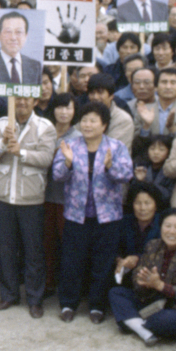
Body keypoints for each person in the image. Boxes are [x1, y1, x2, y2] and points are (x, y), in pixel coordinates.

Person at [51, 101, 134, 323]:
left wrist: (109, 167)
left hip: (107, 216)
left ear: (104, 125)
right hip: (76, 215)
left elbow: (126, 175)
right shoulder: (69, 144)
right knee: (71, 261)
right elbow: (57, 175)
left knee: (102, 262)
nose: (87, 125)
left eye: (93, 121)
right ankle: (68, 303)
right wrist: (67, 163)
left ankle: (97, 306)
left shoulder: (116, 147)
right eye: (84, 120)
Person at [0, 97, 57, 318]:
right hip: (4, 195)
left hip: (31, 197)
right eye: (17, 98)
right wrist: (2, 143)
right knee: (6, 248)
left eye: (26, 98)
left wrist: (21, 152)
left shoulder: (45, 127)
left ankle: (35, 299)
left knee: (33, 250)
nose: (22, 103)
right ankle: (9, 294)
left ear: (35, 100)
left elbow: (47, 158)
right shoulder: (1, 124)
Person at [108, 208, 176, 346]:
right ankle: (144, 331)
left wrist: (160, 286)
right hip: (150, 300)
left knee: (164, 320)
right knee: (116, 293)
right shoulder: (152, 246)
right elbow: (137, 277)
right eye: (167, 226)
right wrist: (143, 283)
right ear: (161, 228)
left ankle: (132, 322)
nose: (171, 231)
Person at [0, 11, 42, 86]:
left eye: (18, 32)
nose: (13, 38)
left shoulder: (35, 66)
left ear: (26, 36)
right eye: (8, 32)